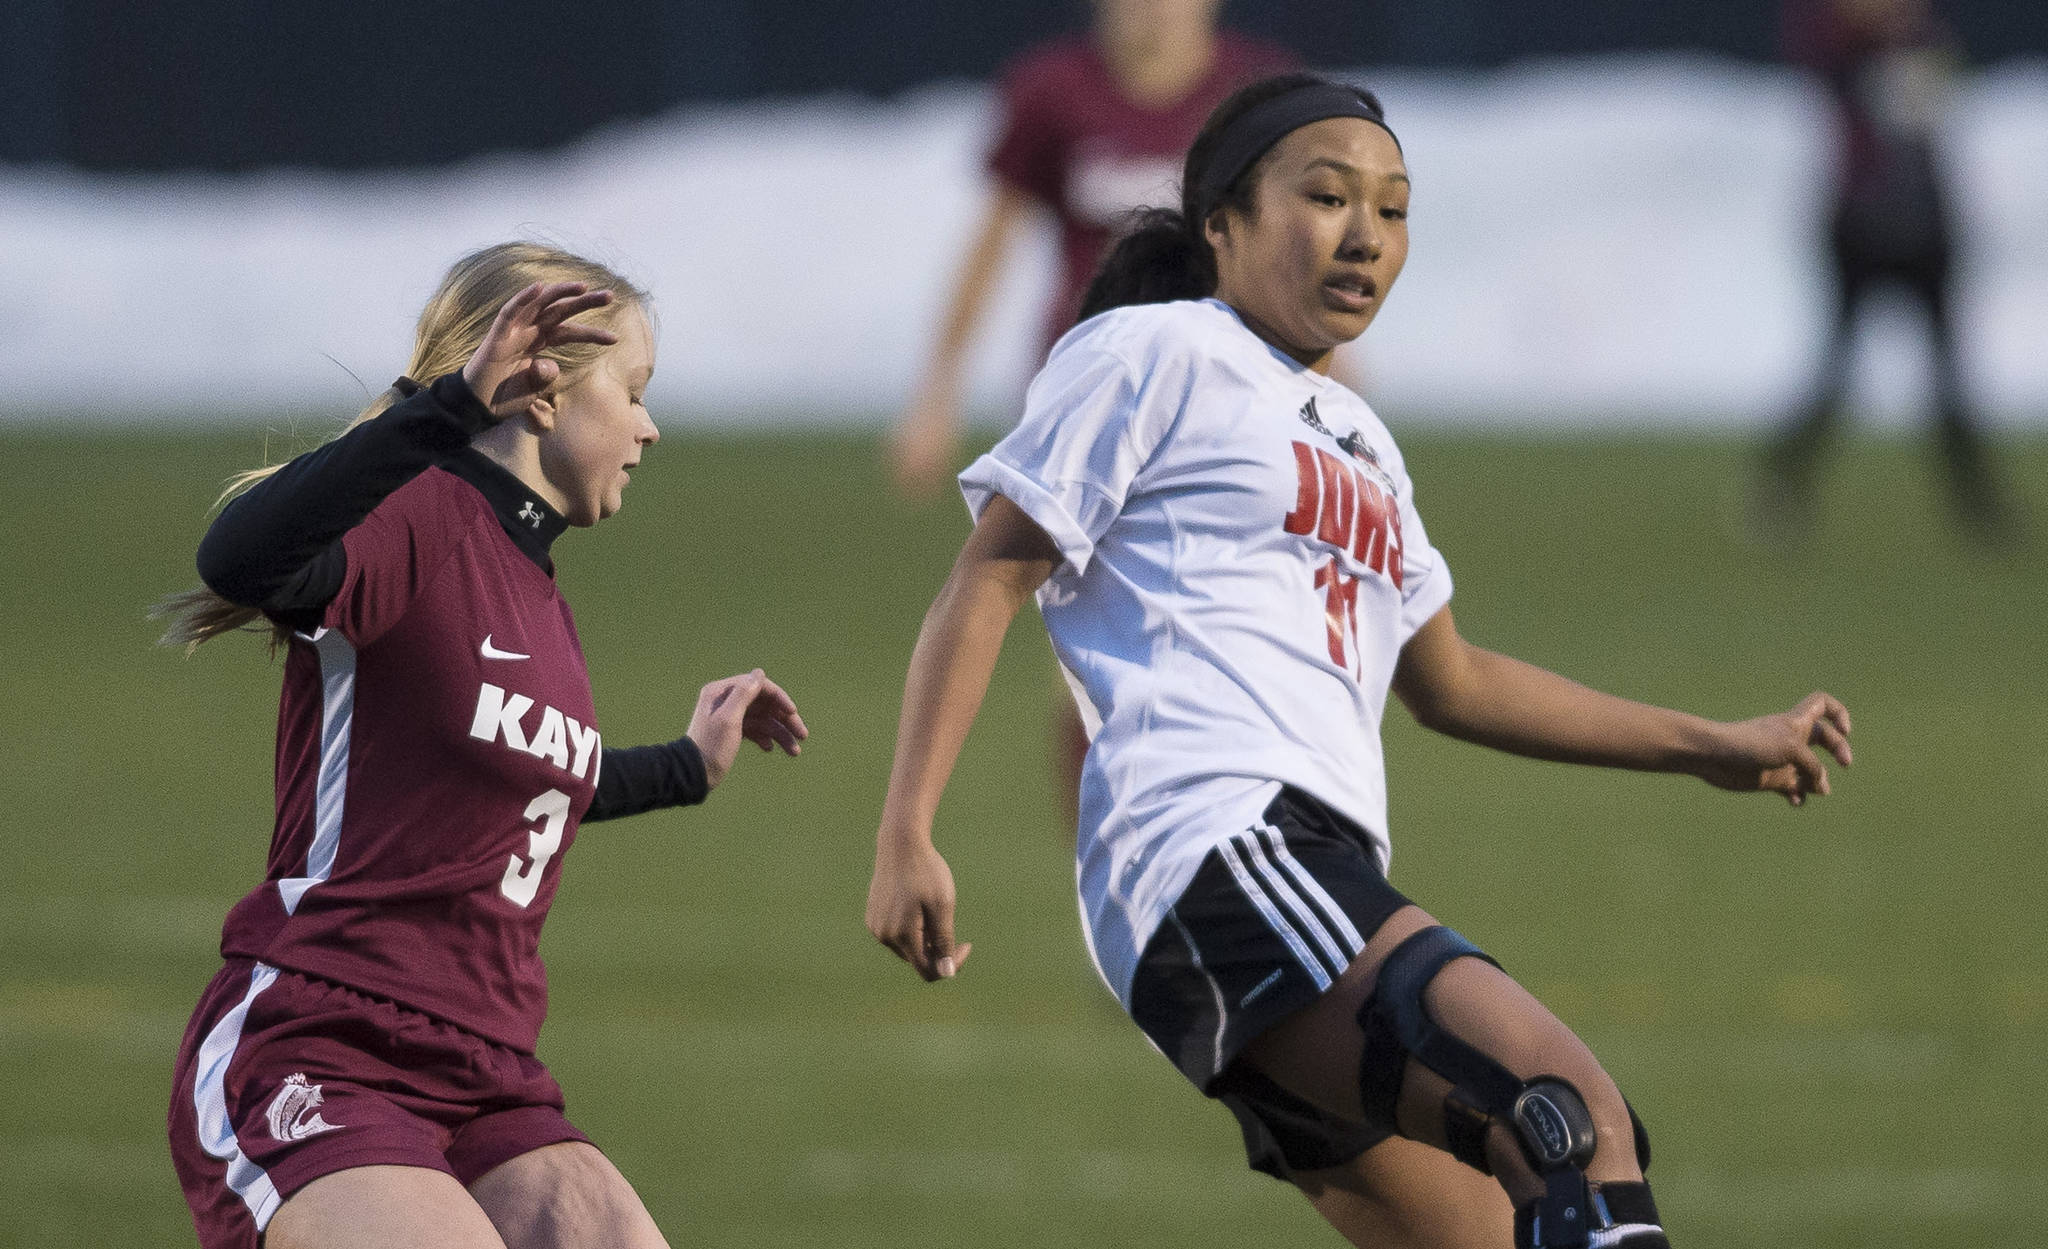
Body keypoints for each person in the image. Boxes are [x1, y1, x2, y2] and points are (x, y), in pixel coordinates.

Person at [865, 75, 1854, 1248]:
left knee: (1505, 1224)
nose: (1365, 234)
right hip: (1220, 848)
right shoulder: (1153, 347)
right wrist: (906, 829)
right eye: (1325, 196)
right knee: (1565, 1122)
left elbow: (1454, 682)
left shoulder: (1360, 440)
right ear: (1219, 224)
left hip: (1299, 877)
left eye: (1391, 209)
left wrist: (1712, 747)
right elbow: (991, 570)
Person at [158, 242, 808, 1249]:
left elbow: (526, 781)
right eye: (632, 391)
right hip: (322, 1044)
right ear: (541, 395)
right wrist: (445, 408)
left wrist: (688, 764)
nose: (649, 426)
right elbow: (239, 557)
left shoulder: (535, 586)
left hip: (483, 1076)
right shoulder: (419, 516)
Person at [889, 0, 1292, 498]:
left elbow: (1290, 246)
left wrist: (1328, 364)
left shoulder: (1260, 91)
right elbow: (991, 247)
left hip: (1224, 379)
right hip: (1085, 374)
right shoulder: (1052, 91)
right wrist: (938, 395)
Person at [1761, 0, 2017, 544]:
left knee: (1948, 380)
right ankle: (1781, 483)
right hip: (1862, 229)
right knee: (1837, 369)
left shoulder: (1922, 42)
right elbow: (1820, 58)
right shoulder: (1840, 49)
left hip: (1924, 229)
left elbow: (1936, 107)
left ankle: (1979, 507)